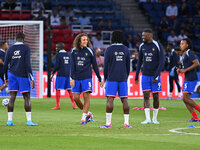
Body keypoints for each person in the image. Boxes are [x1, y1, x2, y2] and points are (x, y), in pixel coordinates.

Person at [3, 32, 38, 126]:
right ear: (24, 39)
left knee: (12, 97)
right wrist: (32, 78)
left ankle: (9, 121)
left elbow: (5, 65)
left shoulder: (10, 49)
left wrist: (6, 77)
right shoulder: (26, 48)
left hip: (11, 75)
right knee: (26, 97)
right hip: (22, 75)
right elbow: (27, 64)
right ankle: (29, 121)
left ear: (15, 39)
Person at [99, 30, 131, 129]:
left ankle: (108, 124)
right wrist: (125, 77)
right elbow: (128, 66)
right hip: (122, 78)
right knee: (124, 99)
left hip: (112, 78)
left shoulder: (109, 49)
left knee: (110, 99)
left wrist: (105, 78)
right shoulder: (126, 49)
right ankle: (126, 124)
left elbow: (105, 67)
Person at [70, 33, 103, 125]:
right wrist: (72, 78)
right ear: (79, 41)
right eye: (84, 40)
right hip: (76, 78)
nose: (86, 41)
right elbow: (72, 66)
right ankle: (88, 114)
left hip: (87, 77)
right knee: (76, 98)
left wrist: (99, 79)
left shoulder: (90, 51)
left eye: (86, 40)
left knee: (86, 96)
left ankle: (83, 118)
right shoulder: (73, 51)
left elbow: (95, 67)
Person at [135, 29, 165, 124]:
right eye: (142, 36)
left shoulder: (157, 45)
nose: (142, 37)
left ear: (149, 35)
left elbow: (162, 61)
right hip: (145, 75)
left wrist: (156, 75)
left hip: (155, 76)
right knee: (146, 96)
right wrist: (136, 76)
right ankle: (147, 119)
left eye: (144, 36)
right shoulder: (142, 46)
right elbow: (139, 61)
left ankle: (155, 118)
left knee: (156, 96)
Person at [177, 38, 200, 122]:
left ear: (187, 45)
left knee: (186, 98)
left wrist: (185, 70)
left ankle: (196, 116)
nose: (181, 45)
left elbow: (197, 63)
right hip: (188, 78)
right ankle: (195, 117)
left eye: (182, 43)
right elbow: (185, 67)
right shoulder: (184, 54)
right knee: (185, 98)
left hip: (191, 78)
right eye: (180, 43)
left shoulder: (189, 52)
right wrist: (180, 70)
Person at [50, 42, 77, 110]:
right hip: (68, 74)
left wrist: (52, 73)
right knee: (69, 90)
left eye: (57, 47)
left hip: (61, 74)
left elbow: (57, 65)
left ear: (60, 47)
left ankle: (57, 105)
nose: (56, 48)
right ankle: (74, 105)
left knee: (58, 89)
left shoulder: (58, 55)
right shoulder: (69, 54)